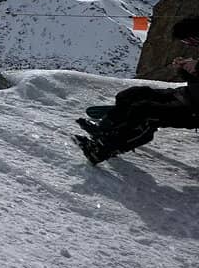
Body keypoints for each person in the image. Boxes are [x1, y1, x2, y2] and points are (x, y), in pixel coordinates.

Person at [74, 17, 199, 165]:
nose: (188, 45)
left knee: (145, 111)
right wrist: (185, 69)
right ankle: (104, 130)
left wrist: (196, 67)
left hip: (193, 110)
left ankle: (103, 150)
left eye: (187, 41)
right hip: (185, 95)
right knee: (132, 94)